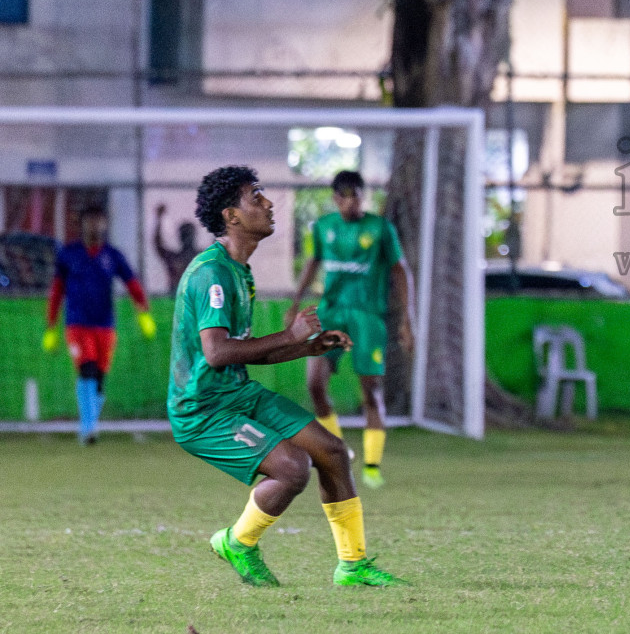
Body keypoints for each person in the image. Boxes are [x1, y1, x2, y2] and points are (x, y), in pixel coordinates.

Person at [169, 165, 403, 587]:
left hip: (236, 393)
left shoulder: (239, 270)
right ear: (231, 216)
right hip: (202, 410)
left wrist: (305, 347)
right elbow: (218, 352)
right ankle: (237, 542)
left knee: (331, 452)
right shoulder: (212, 274)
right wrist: (290, 335)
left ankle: (353, 566)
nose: (268, 203)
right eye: (255, 197)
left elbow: (240, 351)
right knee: (293, 469)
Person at [288, 170, 414, 489]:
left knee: (371, 390)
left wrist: (406, 318)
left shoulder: (380, 229)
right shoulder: (325, 228)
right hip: (330, 312)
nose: (350, 202)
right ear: (334, 199)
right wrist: (296, 300)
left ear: (363, 195)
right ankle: (338, 449)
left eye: (355, 195)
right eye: (343, 196)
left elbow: (400, 270)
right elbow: (313, 262)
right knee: (314, 383)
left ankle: (372, 466)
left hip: (368, 316)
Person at [41, 205, 156, 444]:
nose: (95, 226)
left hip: (105, 326)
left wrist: (143, 313)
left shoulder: (112, 255)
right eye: (90, 221)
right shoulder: (69, 254)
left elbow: (132, 284)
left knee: (100, 378)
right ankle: (88, 428)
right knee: (87, 369)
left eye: (99, 221)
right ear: (82, 224)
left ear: (105, 224)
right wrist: (51, 326)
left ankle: (89, 424)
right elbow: (56, 290)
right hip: (77, 325)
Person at [154, 202, 200, 290]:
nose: (187, 238)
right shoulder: (174, 257)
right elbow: (158, 245)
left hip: (197, 297)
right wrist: (159, 219)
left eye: (189, 234)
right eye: (185, 234)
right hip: (175, 298)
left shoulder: (203, 257)